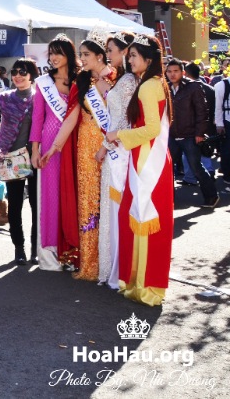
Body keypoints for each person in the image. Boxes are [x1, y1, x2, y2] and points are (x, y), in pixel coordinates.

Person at [106, 35, 174, 306]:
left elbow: (152, 129)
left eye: (134, 55)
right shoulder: (157, 83)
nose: (129, 59)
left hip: (147, 161)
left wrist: (118, 134)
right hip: (150, 156)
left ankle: (142, 285)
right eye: (129, 55)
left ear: (148, 59)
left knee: (142, 218)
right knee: (144, 220)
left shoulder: (148, 86)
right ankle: (141, 284)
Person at [42, 30, 114, 279]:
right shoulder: (81, 81)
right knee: (88, 200)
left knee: (111, 200)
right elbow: (72, 117)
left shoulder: (119, 79)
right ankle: (90, 259)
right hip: (85, 147)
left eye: (85, 54)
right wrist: (55, 147)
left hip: (113, 147)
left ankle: (111, 261)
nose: (81, 59)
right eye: (80, 54)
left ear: (101, 55)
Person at [0, 58, 39, 265]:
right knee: (14, 206)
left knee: (36, 205)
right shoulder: (5, 98)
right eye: (14, 72)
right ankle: (19, 247)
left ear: (31, 75)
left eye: (23, 72)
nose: (18, 76)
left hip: (36, 158)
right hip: (12, 158)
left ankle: (35, 249)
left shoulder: (40, 99)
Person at [29, 34, 77, 271]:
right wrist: (35, 150)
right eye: (51, 53)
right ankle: (51, 255)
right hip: (49, 145)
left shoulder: (81, 80)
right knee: (50, 197)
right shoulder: (43, 83)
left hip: (75, 143)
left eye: (59, 52)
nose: (54, 57)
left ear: (69, 54)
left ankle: (73, 251)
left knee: (72, 195)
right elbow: (37, 119)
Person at [97, 31, 137, 288]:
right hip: (116, 148)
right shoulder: (121, 78)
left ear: (124, 51)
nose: (108, 55)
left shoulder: (130, 80)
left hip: (119, 152)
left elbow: (123, 120)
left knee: (116, 209)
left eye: (111, 50)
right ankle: (112, 266)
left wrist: (103, 146)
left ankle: (118, 269)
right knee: (111, 210)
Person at [166, 59, 219, 207]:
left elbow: (202, 112)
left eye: (176, 71)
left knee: (196, 168)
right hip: (172, 135)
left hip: (190, 136)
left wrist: (200, 133)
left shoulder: (193, 87)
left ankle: (211, 196)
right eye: (169, 71)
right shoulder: (166, 88)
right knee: (167, 170)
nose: (172, 74)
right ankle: (166, 200)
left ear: (183, 72)